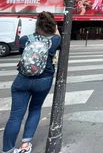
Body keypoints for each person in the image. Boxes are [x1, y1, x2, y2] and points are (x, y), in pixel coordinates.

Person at [2, 11, 62, 153]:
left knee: (15, 116)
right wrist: (55, 28)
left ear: (37, 25)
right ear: (52, 26)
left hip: (22, 80)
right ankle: (25, 145)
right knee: (35, 109)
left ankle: (7, 150)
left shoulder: (24, 39)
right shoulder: (55, 40)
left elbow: (23, 53)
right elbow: (58, 36)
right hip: (43, 80)